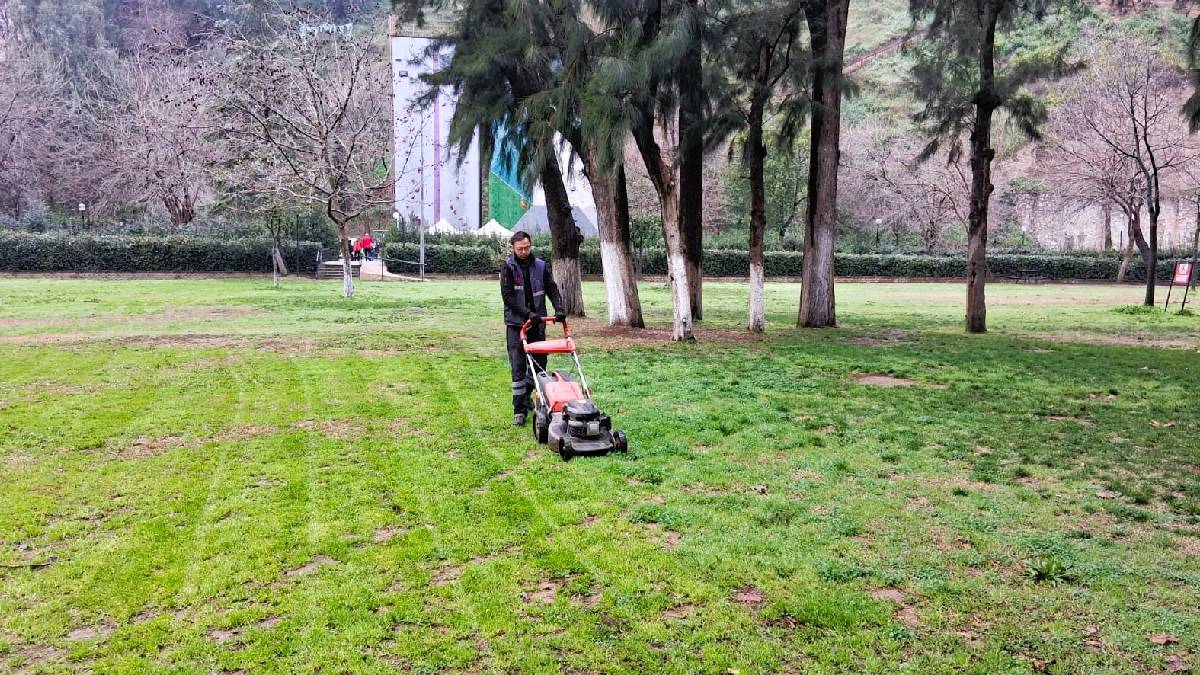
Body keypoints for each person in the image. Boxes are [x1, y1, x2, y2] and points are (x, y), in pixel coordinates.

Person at [500, 231, 566, 426]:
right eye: (520, 248)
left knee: (540, 364)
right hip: (516, 324)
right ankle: (519, 411)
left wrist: (559, 307)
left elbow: (551, 288)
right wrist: (527, 313)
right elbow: (508, 297)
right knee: (518, 366)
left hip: (537, 324)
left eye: (527, 247)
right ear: (513, 247)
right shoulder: (508, 267)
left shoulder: (540, 266)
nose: (524, 251)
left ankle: (527, 396)